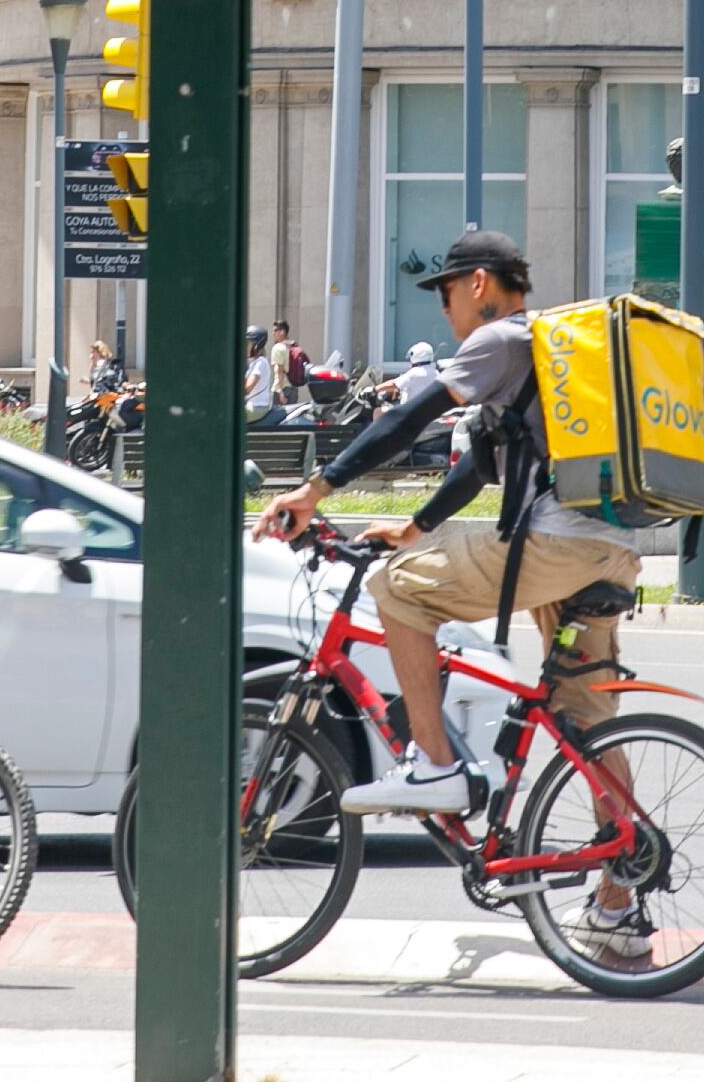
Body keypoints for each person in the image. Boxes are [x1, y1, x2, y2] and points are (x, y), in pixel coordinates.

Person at [251, 229, 652, 957]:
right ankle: (620, 907)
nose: (443, 310)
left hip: (557, 545)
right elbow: (480, 465)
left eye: (443, 292)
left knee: (397, 592)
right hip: (612, 549)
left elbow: (408, 417)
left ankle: (434, 764)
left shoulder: (498, 340)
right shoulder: (539, 353)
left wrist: (316, 488)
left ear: (476, 283)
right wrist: (416, 524)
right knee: (587, 720)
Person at [378, 341, 441, 410]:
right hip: (428, 410)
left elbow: (394, 384)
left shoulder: (415, 372)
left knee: (379, 411)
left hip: (410, 411)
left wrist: (374, 389)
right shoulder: (435, 372)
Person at [242, 324, 278, 426]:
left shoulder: (260, 362)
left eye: (248, 344)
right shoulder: (254, 363)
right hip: (252, 406)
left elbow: (247, 388)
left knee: (229, 417)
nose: (245, 347)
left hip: (257, 408)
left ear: (257, 345)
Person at [268, 321, 300, 407]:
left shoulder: (278, 348)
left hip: (281, 389)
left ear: (282, 332)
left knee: (276, 419)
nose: (273, 334)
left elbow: (279, 371)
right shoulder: (294, 346)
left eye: (275, 331)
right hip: (293, 388)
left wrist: (280, 391)